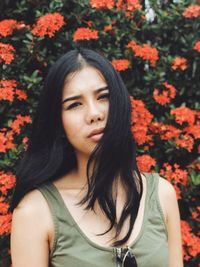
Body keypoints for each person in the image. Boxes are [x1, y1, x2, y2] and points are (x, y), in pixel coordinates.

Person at [10, 47, 183, 267]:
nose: (94, 114)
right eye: (75, 104)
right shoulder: (35, 211)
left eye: (104, 97)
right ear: (58, 122)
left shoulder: (161, 194)